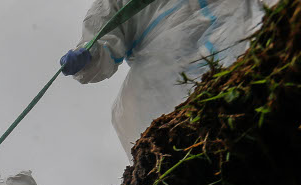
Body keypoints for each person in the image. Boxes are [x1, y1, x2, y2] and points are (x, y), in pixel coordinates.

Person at [59, 0, 269, 157]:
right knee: (132, 111)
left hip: (236, 21)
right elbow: (103, 36)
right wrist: (88, 55)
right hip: (166, 60)